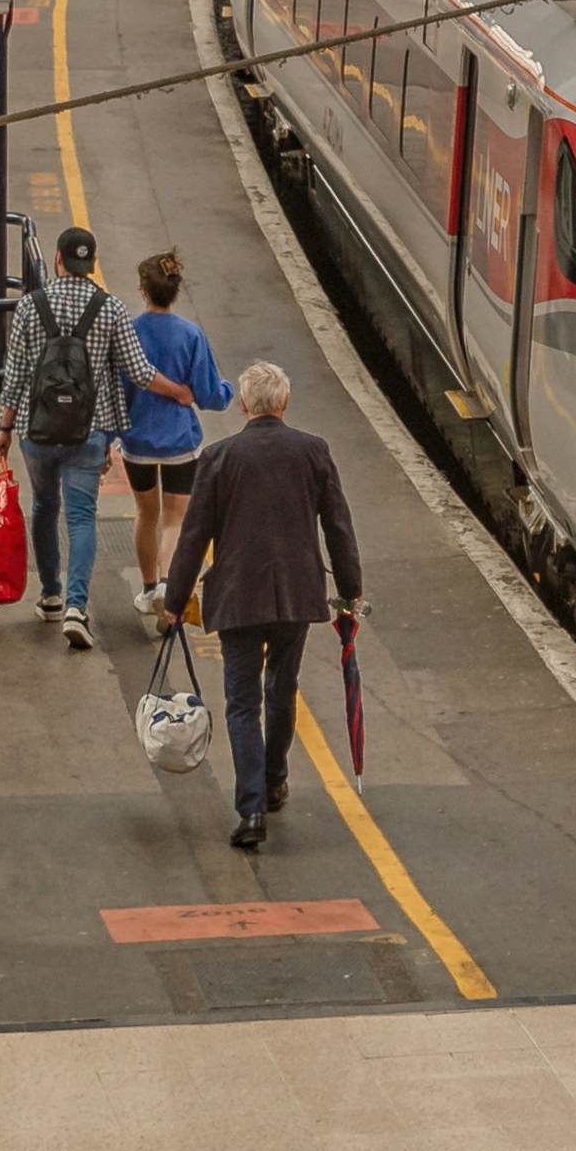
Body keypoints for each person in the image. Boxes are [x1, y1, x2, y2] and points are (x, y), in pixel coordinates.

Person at [157, 358, 358, 849]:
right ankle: (274, 780)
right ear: (283, 403)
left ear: (244, 405)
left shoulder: (220, 458)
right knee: (282, 688)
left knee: (242, 703)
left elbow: (193, 535)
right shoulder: (313, 451)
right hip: (296, 595)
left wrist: (174, 600)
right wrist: (350, 593)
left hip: (237, 596)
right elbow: (337, 525)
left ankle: (250, 812)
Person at [0, 226, 139, 651]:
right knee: (81, 517)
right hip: (89, 431)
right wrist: (182, 390)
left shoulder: (29, 307)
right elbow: (137, 368)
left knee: (43, 505)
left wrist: (3, 430)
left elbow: (16, 374)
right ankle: (77, 608)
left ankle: (51, 595)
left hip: (36, 432)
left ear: (57, 259)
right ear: (90, 263)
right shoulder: (109, 308)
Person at [115, 252, 231, 597]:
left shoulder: (130, 333)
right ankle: (169, 585)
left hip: (136, 443)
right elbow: (211, 395)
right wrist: (226, 391)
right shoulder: (190, 335)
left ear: (143, 290)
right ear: (175, 291)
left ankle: (149, 588)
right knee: (174, 520)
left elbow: (118, 388)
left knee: (145, 514)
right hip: (180, 443)